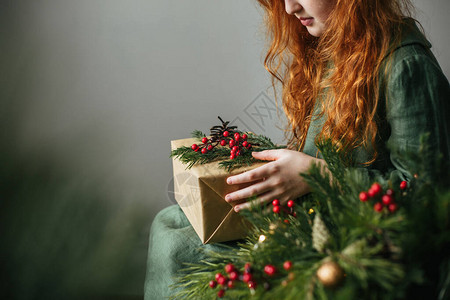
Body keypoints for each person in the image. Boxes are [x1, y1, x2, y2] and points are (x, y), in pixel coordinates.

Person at [144, 0, 450, 298]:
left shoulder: (406, 66)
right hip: (315, 216)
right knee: (171, 223)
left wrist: (315, 174)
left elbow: (427, 197)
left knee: (179, 248)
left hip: (361, 248)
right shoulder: (337, 48)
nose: (290, 8)